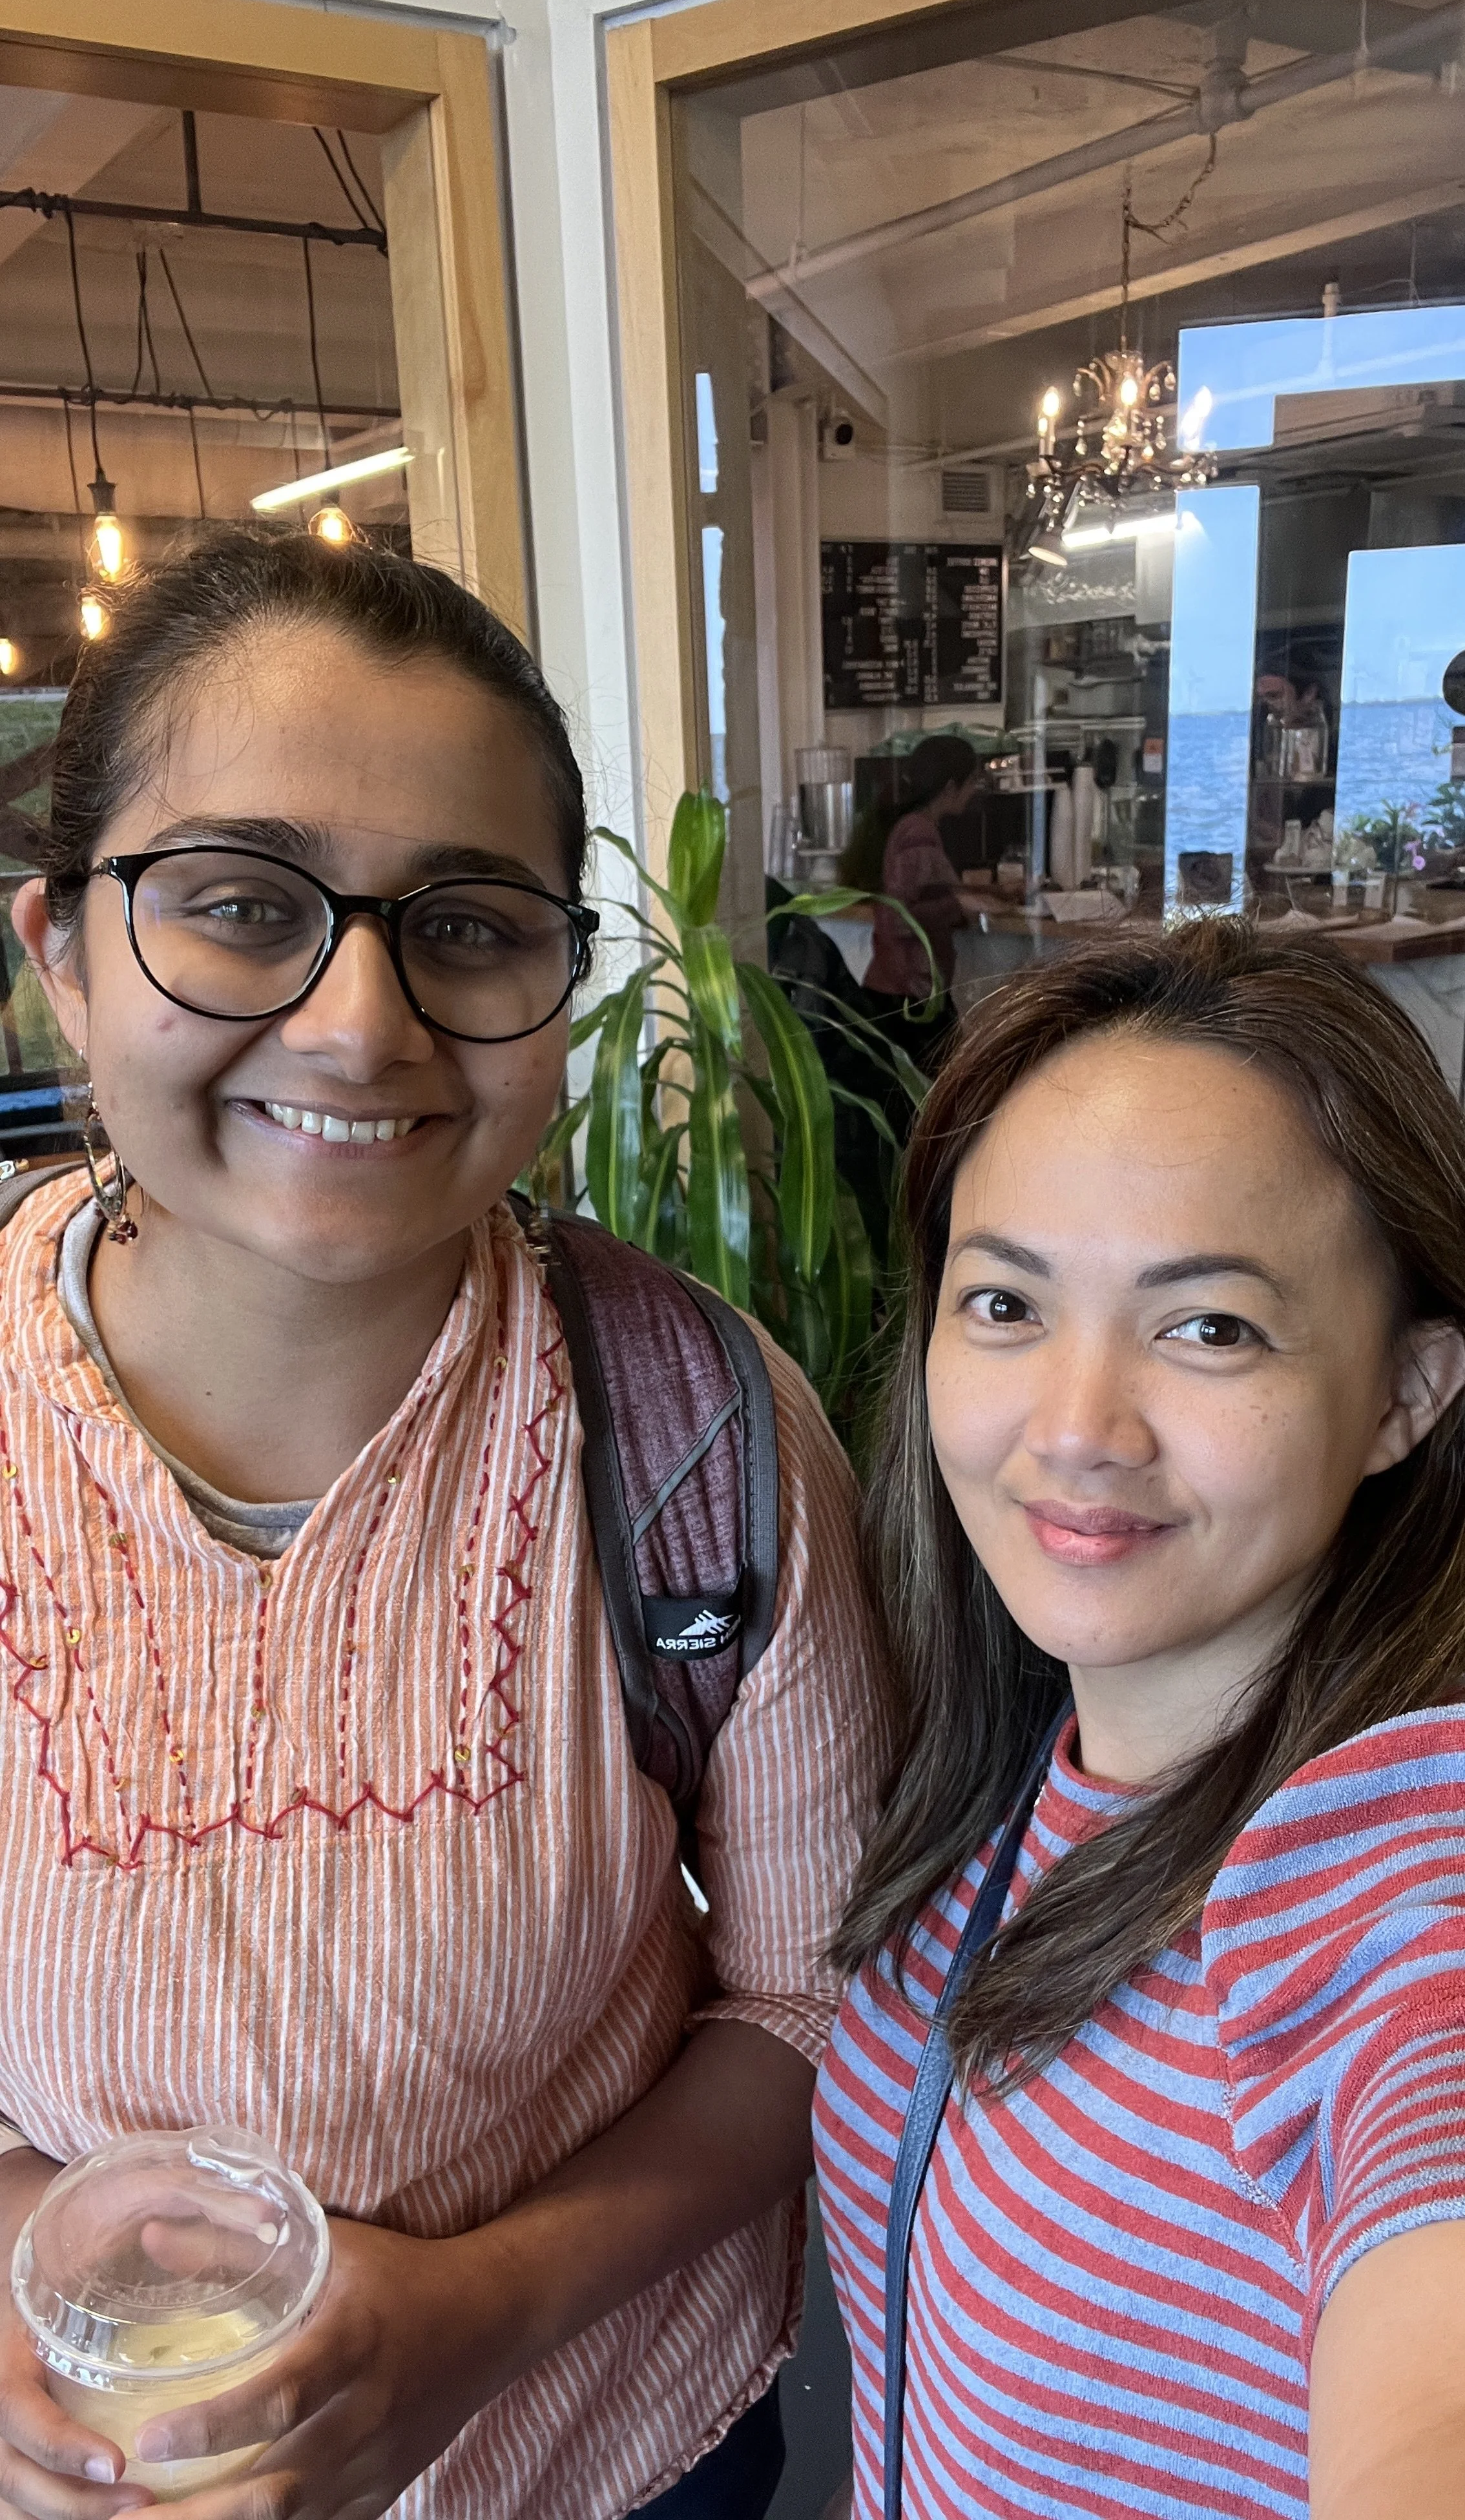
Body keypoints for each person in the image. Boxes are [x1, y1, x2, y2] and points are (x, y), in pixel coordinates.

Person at [0, 528, 889, 2520]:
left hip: (606, 2453)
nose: (358, 1024)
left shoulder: (694, 1437)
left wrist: (477, 2317)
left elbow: (807, 2004)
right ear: (62, 953)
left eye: (470, 925)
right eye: (239, 905)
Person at [815, 918, 1465, 2520]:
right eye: (1007, 1305)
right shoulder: (1010, 1755)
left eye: (1210, 1328)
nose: (1077, 1431)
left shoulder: (1392, 1908)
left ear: (1407, 1394)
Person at [862, 738, 985, 1071]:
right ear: (950, 786)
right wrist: (960, 910)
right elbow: (896, 917)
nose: (975, 790)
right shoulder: (918, 832)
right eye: (972, 781)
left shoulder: (916, 827)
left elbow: (920, 899)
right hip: (909, 997)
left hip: (906, 993)